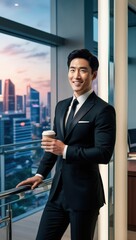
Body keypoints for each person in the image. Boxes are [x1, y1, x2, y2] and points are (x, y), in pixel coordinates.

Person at [17, 49, 116, 240]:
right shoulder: (61, 106)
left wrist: (66, 150)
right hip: (57, 194)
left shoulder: (103, 110)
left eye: (83, 70)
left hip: (84, 196)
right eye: (72, 69)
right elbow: (53, 146)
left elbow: (104, 153)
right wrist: (40, 174)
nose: (76, 75)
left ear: (93, 75)